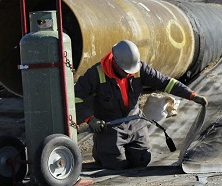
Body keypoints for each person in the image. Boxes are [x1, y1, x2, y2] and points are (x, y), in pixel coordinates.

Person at [74, 40, 208, 169]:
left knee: (142, 160)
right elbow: (76, 96)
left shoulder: (139, 69)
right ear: (115, 62)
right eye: (125, 71)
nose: (129, 73)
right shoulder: (96, 74)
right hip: (111, 126)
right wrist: (90, 119)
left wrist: (191, 95)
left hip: (135, 122)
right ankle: (100, 149)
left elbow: (166, 82)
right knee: (115, 164)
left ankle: (122, 148)